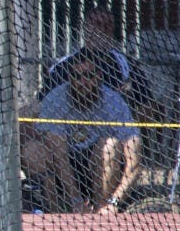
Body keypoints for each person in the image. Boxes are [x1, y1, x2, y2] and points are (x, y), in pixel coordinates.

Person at [22, 49, 142, 213]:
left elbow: (134, 162)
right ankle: (56, 214)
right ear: (70, 78)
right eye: (77, 77)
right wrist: (75, 200)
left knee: (111, 145)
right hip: (63, 171)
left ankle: (102, 211)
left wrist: (114, 202)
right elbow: (58, 154)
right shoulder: (55, 99)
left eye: (89, 76)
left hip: (100, 168)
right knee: (32, 151)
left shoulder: (115, 103)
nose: (83, 82)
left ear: (99, 76)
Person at [40, 6, 152, 120]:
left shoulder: (127, 65)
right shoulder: (64, 65)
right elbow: (41, 104)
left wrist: (122, 114)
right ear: (85, 28)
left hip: (114, 129)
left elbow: (148, 108)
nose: (101, 30)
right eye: (96, 24)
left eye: (107, 26)